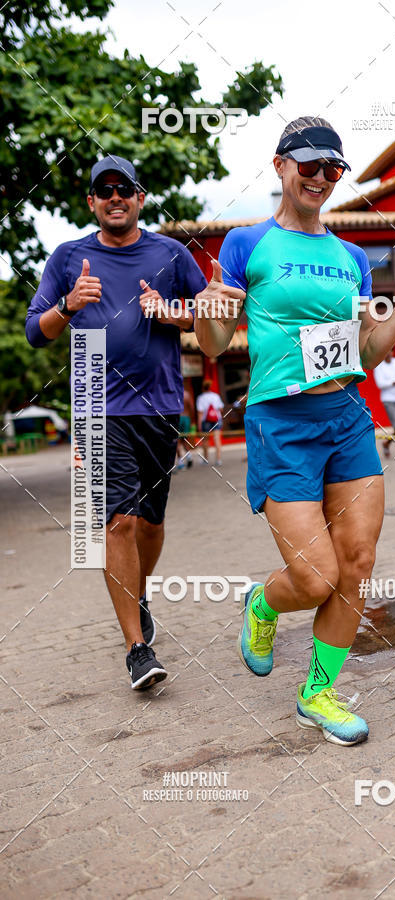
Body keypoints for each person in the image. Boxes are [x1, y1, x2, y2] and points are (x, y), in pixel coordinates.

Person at [194, 116, 395, 745]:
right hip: (281, 422)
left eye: (334, 169)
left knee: (356, 563)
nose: (323, 178)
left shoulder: (352, 258)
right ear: (280, 165)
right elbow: (217, 346)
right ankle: (263, 605)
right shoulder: (247, 244)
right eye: (310, 165)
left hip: (347, 418)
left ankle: (318, 693)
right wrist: (208, 314)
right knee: (314, 577)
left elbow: (367, 349)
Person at [25, 155, 207, 689]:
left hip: (159, 407)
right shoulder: (67, 257)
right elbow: (36, 331)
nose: (114, 198)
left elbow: (213, 320)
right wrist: (67, 303)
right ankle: (137, 648)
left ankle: (140, 593)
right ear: (91, 203)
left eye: (123, 189)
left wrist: (169, 311)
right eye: (103, 191)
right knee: (116, 522)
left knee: (149, 522)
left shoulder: (170, 254)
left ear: (139, 197)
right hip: (95, 407)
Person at [373, 350, 395, 460]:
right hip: (388, 399)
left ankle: (386, 443)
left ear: (393, 352)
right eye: (386, 351)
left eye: (390, 351)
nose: (388, 353)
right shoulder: (378, 367)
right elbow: (380, 384)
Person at [196, 379, 224, 466]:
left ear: (203, 388)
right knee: (217, 439)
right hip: (217, 419)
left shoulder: (200, 398)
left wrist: (199, 424)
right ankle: (218, 459)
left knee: (205, 441)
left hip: (206, 421)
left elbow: (200, 412)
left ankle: (205, 459)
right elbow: (221, 409)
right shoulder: (216, 396)